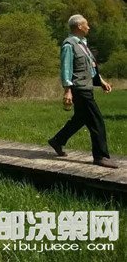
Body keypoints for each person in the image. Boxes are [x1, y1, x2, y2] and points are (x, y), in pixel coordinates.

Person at [48, 15, 117, 168]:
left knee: (80, 118)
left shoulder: (83, 44)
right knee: (97, 121)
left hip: (86, 87)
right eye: (87, 24)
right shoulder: (69, 45)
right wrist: (68, 90)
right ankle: (100, 157)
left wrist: (101, 81)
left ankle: (57, 141)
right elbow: (66, 69)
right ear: (79, 26)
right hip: (79, 89)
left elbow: (90, 67)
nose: (89, 27)